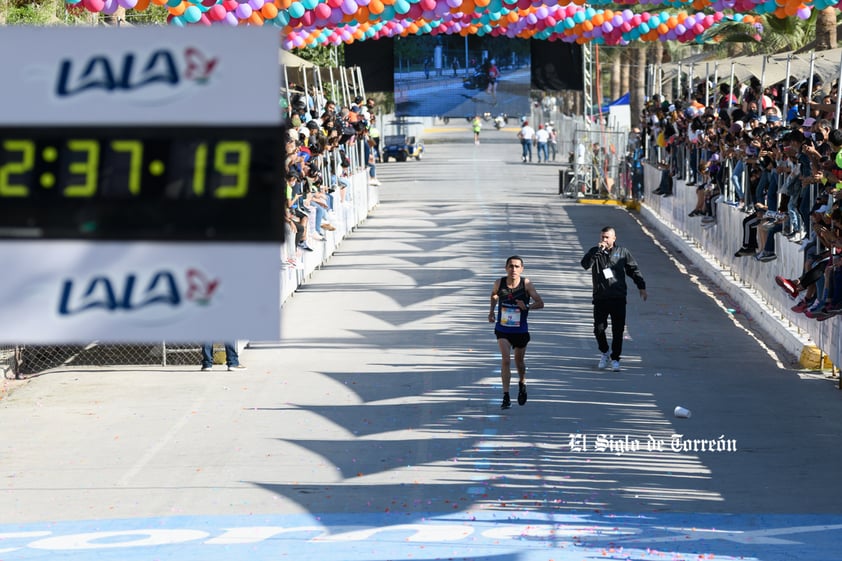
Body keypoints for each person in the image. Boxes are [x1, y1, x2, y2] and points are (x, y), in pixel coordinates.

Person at [580, 226, 647, 372]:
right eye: (602, 237)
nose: (604, 240)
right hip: (600, 298)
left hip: (618, 297)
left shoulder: (622, 252)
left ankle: (616, 358)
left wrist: (641, 286)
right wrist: (597, 252)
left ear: (614, 238)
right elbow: (585, 264)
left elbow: (633, 270)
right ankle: (605, 352)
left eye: (607, 237)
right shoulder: (595, 251)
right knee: (599, 329)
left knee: (618, 330)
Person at [488, 255, 544, 410]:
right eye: (511, 266)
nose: (513, 269)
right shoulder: (499, 283)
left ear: (522, 269)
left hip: (520, 330)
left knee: (519, 362)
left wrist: (527, 306)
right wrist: (491, 311)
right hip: (502, 329)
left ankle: (522, 382)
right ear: (506, 268)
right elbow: (494, 295)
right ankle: (506, 396)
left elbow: (540, 303)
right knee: (506, 360)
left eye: (517, 266)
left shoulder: (526, 284)